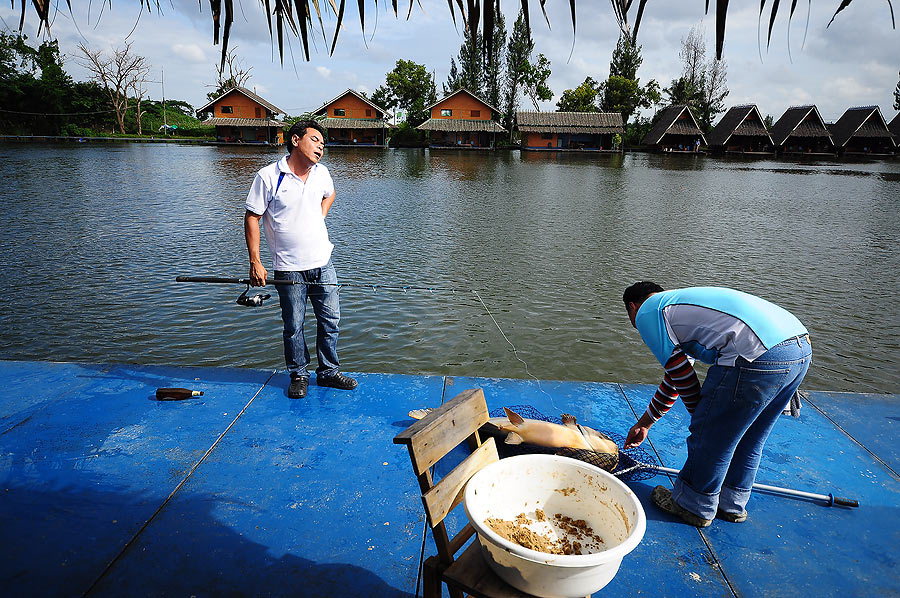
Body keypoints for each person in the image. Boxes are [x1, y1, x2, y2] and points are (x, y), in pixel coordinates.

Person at [622, 282, 811, 527]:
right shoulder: (680, 308)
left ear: (632, 307)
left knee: (712, 436)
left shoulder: (648, 312)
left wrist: (704, 422)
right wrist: (646, 423)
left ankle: (693, 505)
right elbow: (677, 374)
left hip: (756, 353)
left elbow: (681, 376)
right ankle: (732, 504)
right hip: (799, 348)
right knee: (750, 437)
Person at [244, 120, 358, 399]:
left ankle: (329, 372)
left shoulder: (322, 174)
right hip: (289, 269)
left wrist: (320, 216)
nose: (321, 146)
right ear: (296, 140)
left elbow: (330, 194)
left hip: (324, 263)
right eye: (316, 139)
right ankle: (299, 374)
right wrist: (255, 261)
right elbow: (252, 217)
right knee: (294, 326)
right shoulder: (270, 176)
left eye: (323, 143)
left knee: (331, 321)